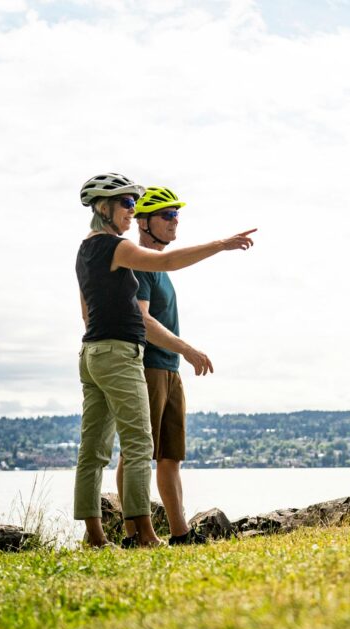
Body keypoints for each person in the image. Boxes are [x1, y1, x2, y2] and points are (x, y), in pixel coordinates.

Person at [74, 172, 256, 548]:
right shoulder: (115, 247)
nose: (132, 210)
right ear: (104, 207)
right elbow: (168, 262)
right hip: (120, 353)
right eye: (127, 203)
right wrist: (221, 244)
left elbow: (87, 312)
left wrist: (101, 340)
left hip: (93, 350)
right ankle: (143, 535)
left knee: (93, 451)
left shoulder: (84, 250)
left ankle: (95, 537)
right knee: (139, 445)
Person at [116, 186, 211, 545]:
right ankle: (134, 534)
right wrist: (188, 349)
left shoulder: (161, 269)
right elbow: (143, 320)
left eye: (176, 215)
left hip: (169, 370)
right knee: (135, 452)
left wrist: (180, 356)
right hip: (149, 367)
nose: (175, 222)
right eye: (167, 215)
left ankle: (180, 533)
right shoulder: (141, 264)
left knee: (170, 456)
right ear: (143, 222)